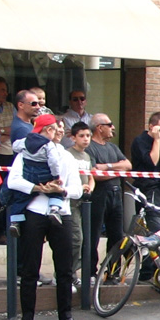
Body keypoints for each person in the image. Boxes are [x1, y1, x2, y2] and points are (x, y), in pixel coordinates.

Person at [7, 132, 83, 320]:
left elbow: (77, 188)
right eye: (48, 130)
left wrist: (62, 190)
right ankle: (28, 318)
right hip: (34, 212)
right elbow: (12, 181)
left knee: (65, 268)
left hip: (62, 213)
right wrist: (38, 188)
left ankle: (66, 315)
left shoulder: (67, 157)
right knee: (30, 267)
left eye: (57, 129)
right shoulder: (25, 154)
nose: (54, 133)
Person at [86, 114, 131, 279]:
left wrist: (108, 167)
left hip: (116, 195)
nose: (113, 128)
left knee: (117, 235)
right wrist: (116, 171)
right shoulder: (90, 147)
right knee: (93, 234)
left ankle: (113, 271)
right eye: (109, 124)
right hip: (98, 195)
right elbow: (95, 174)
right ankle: (90, 272)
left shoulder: (112, 148)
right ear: (99, 127)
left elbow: (128, 165)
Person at [6, 114, 67, 234]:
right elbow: (54, 162)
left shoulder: (25, 141)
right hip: (43, 174)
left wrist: (24, 151)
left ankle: (15, 221)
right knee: (56, 192)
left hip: (28, 174)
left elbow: (15, 146)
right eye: (55, 130)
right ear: (49, 130)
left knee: (20, 197)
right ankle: (54, 210)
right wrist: (56, 177)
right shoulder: (49, 145)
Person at [130, 111, 160, 233]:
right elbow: (152, 163)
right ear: (152, 126)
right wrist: (156, 140)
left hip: (159, 189)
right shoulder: (140, 141)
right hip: (146, 188)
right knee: (157, 228)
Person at [66, 122, 95, 289]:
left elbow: (90, 177)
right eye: (82, 136)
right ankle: (66, 274)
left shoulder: (87, 156)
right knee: (76, 239)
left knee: (83, 240)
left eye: (88, 136)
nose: (85, 139)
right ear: (73, 138)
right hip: (70, 202)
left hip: (84, 202)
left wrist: (90, 188)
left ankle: (73, 273)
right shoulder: (68, 154)